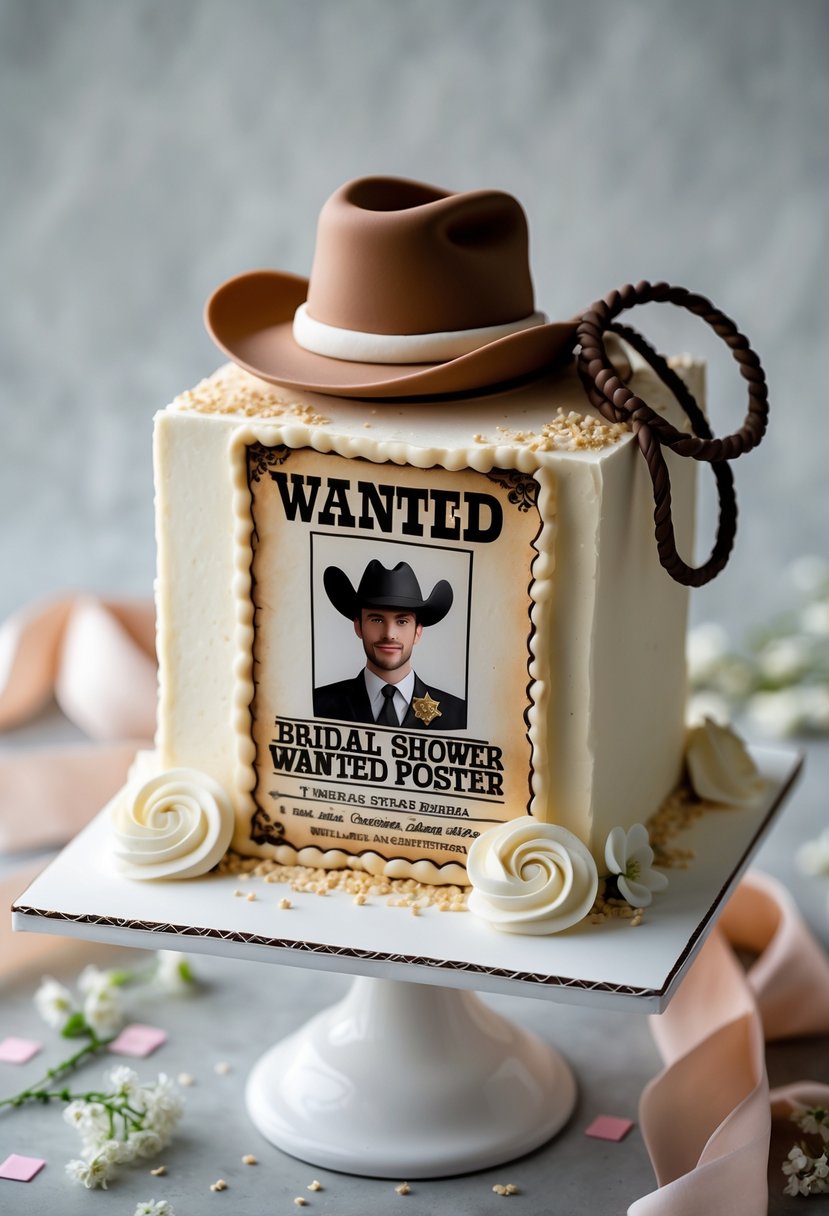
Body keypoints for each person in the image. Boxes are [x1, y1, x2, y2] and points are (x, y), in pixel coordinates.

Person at [313, 559, 467, 729]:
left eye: (402, 621)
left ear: (417, 632)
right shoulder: (317, 705)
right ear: (358, 626)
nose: (389, 634)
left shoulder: (458, 715)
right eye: (377, 619)